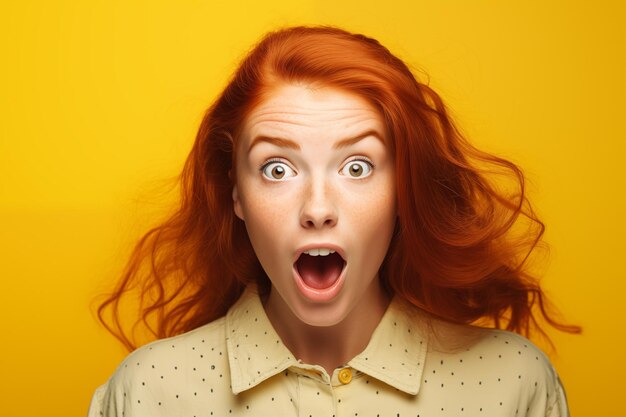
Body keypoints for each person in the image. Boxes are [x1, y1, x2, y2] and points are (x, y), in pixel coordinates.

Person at [88, 26, 579, 417]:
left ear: (402, 190)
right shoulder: (149, 391)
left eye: (357, 167)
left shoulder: (511, 383)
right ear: (237, 193)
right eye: (277, 169)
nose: (317, 208)